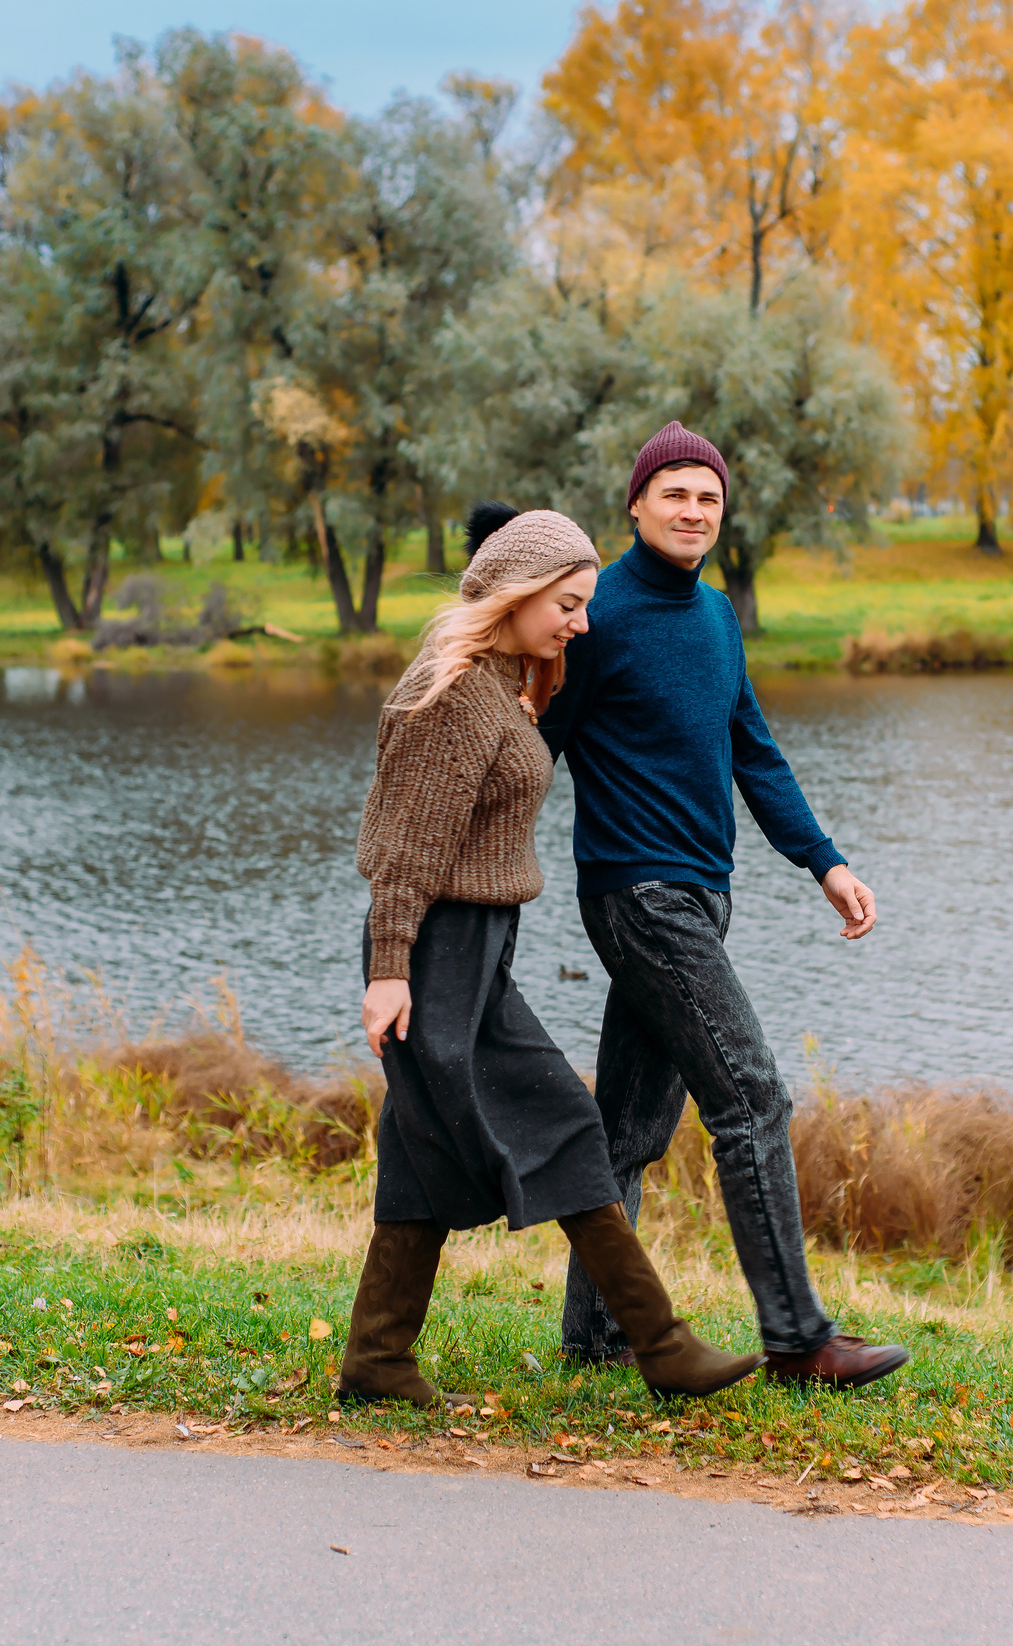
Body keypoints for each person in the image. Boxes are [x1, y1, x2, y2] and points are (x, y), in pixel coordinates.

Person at [340, 503, 760, 1407]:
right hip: (437, 949)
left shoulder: (498, 683)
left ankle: (377, 1361)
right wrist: (388, 968)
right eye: (567, 604)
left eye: (584, 604)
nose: (581, 620)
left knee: (420, 1149)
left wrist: (546, 681)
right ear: (519, 593)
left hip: (473, 948)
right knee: (569, 1122)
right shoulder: (453, 694)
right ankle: (661, 1344)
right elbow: (408, 846)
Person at [545, 424, 909, 1390]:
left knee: (627, 1130)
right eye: (673, 493)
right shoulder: (598, 614)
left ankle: (592, 1333)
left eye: (707, 497)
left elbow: (753, 750)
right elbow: (536, 744)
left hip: (702, 896)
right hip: (637, 892)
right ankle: (799, 1338)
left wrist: (824, 863)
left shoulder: (715, 617)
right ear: (635, 504)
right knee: (751, 1097)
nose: (692, 511)